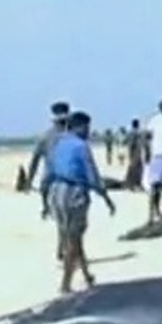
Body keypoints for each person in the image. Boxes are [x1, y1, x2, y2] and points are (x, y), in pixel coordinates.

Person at [47, 111, 116, 293]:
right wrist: (106, 198)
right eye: (86, 127)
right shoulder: (81, 146)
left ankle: (86, 274)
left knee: (71, 236)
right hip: (75, 192)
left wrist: (45, 200)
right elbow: (92, 175)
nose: (88, 131)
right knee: (74, 238)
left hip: (56, 191)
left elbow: (49, 170)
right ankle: (65, 283)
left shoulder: (58, 143)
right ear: (78, 126)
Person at [28, 102, 71, 221]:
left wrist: (29, 180)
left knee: (44, 185)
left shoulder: (45, 136)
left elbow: (35, 160)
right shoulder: (74, 135)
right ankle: (46, 207)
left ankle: (46, 207)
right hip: (67, 175)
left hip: (52, 176)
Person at [123, 118, 148, 190]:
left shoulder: (133, 132)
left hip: (135, 152)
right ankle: (133, 184)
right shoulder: (136, 133)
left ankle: (134, 183)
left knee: (136, 167)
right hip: (136, 151)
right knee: (135, 168)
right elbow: (133, 143)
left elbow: (130, 143)